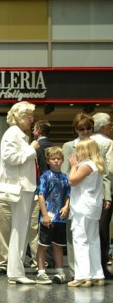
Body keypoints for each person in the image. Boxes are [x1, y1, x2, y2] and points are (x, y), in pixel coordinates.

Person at [61, 113, 110, 280]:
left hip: (87, 199)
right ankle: (85, 273)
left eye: (89, 128)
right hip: (80, 198)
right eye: (81, 129)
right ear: (75, 130)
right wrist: (66, 201)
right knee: (84, 236)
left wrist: (107, 196)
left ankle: (84, 275)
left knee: (83, 236)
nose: (85, 131)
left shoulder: (98, 147)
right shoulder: (69, 146)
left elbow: (105, 175)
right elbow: (64, 174)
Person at [0, 101, 39, 285]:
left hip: (23, 186)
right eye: (28, 116)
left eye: (31, 116)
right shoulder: (13, 134)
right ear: (18, 117)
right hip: (19, 187)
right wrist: (32, 150)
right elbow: (10, 158)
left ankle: (16, 270)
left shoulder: (18, 134)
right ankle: (15, 271)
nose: (31, 119)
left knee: (20, 230)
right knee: (19, 229)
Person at [67, 139, 106, 287]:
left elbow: (72, 180)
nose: (76, 153)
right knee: (93, 240)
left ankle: (83, 276)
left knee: (80, 240)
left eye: (79, 150)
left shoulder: (86, 165)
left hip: (82, 207)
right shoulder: (97, 165)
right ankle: (97, 274)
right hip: (93, 207)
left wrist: (74, 166)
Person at [35, 147, 70, 285]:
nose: (56, 161)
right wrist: (44, 214)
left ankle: (60, 271)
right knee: (43, 245)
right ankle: (41, 272)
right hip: (47, 217)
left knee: (58, 245)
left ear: (62, 160)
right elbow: (41, 195)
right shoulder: (45, 176)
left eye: (58, 158)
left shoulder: (65, 177)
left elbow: (68, 194)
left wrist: (67, 206)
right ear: (48, 161)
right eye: (53, 159)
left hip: (60, 218)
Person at [91, 112, 113, 278]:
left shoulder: (87, 142)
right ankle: (102, 266)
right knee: (103, 230)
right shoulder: (108, 143)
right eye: (110, 125)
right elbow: (110, 170)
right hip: (106, 191)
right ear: (104, 127)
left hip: (89, 191)